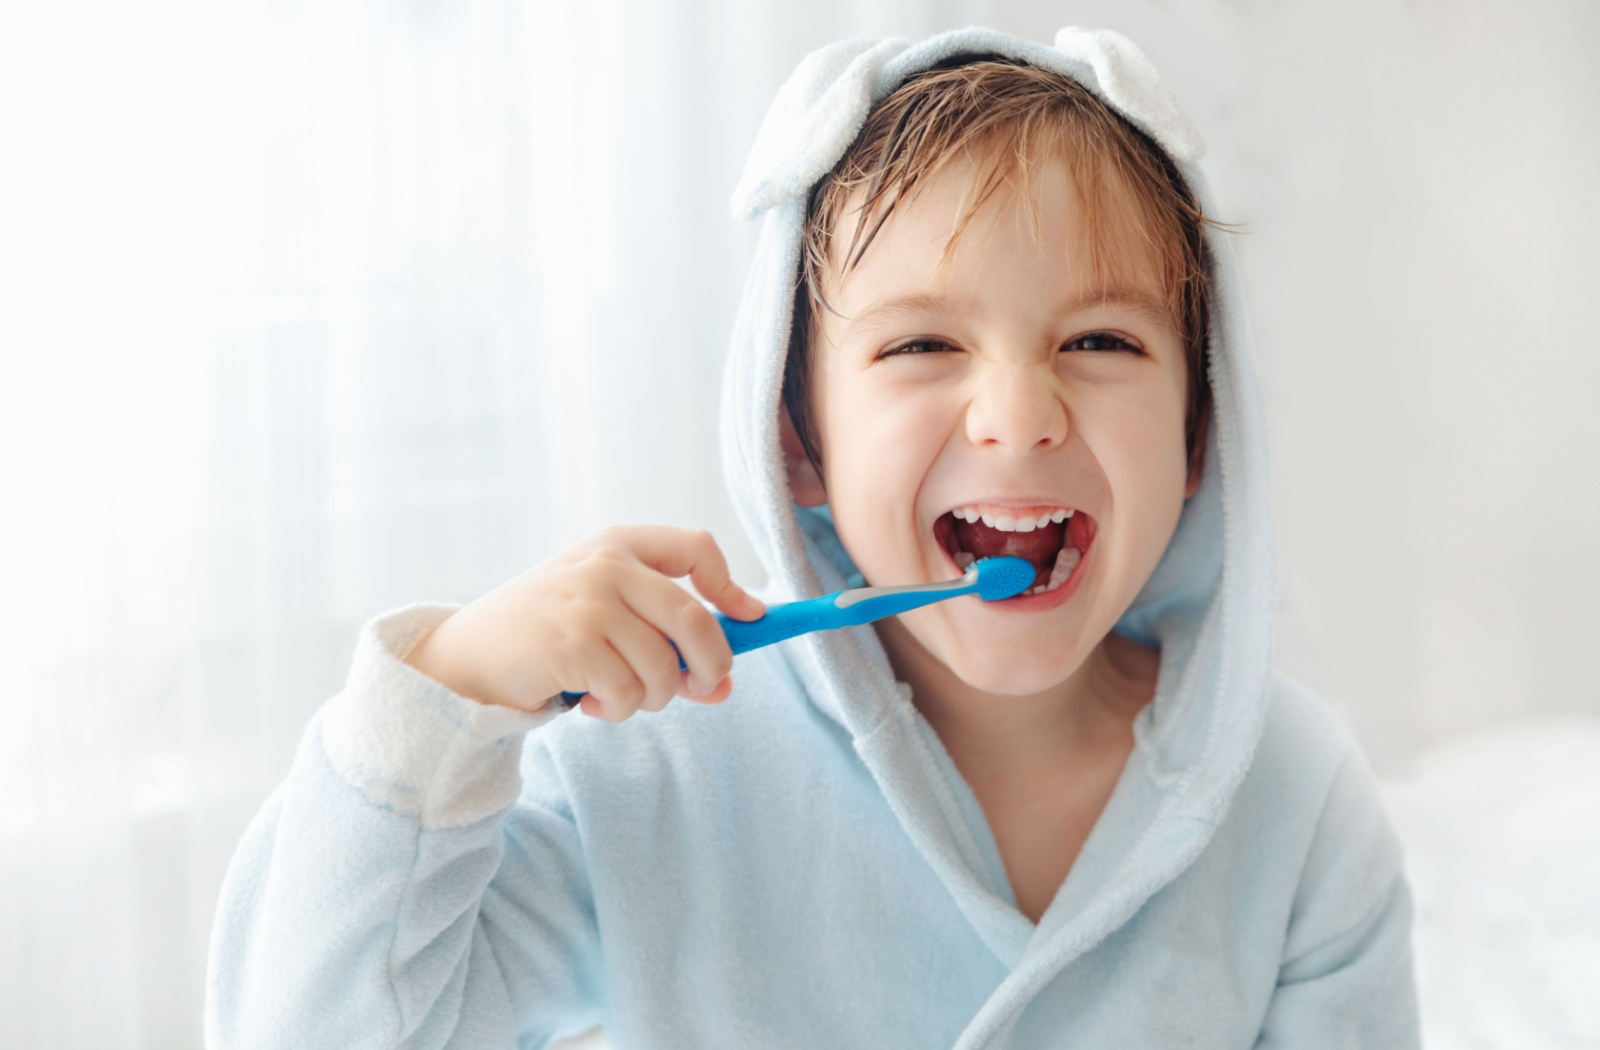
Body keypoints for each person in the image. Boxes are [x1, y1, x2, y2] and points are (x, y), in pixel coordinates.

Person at [206, 26, 1419, 1049]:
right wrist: (448, 696)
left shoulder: (1297, 803)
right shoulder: (650, 771)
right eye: (921, 344)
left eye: (1101, 341)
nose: (1020, 415)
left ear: (1200, 436)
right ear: (797, 444)